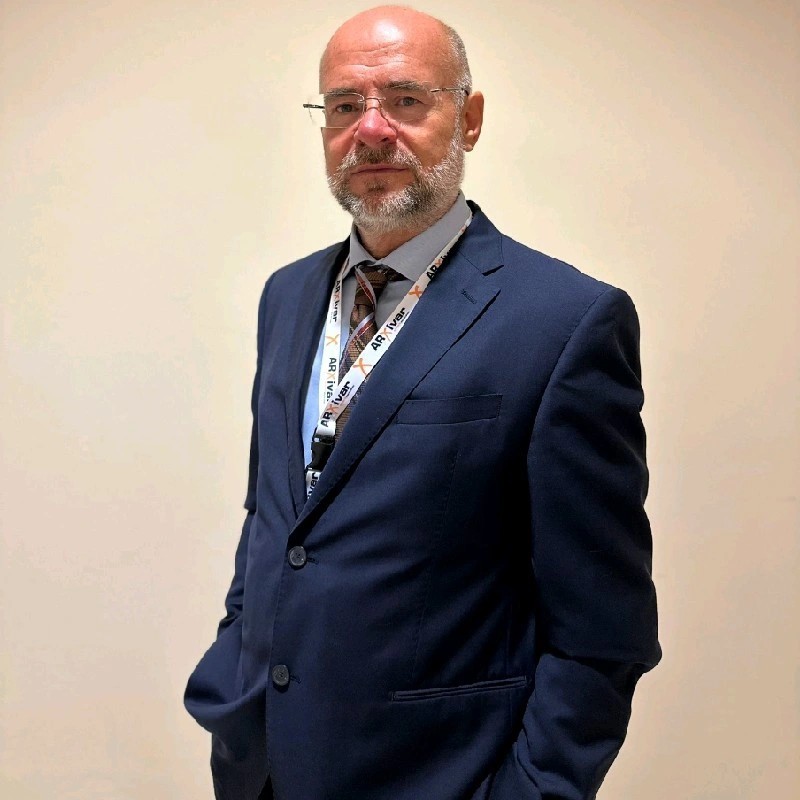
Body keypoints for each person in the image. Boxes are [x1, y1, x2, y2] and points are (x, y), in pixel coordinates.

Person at [184, 6, 660, 799]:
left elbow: (603, 630)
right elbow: (280, 521)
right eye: (345, 105)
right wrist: (235, 679)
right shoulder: (286, 297)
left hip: (440, 777)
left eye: (406, 100)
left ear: (468, 120)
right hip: (262, 769)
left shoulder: (565, 322)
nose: (371, 130)